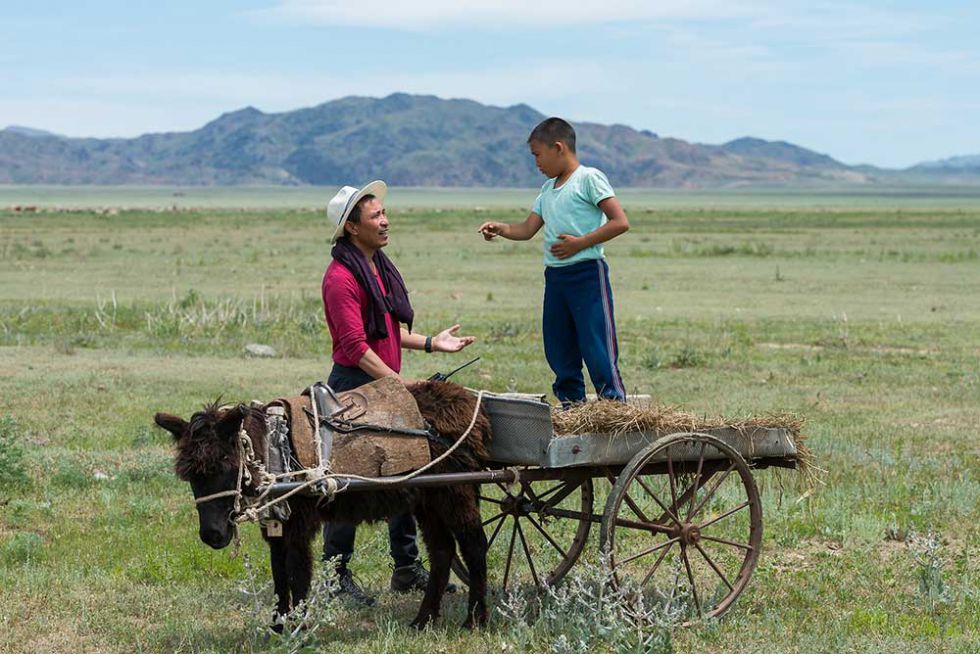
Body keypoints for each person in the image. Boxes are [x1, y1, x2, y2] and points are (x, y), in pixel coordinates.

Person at [321, 180, 474, 605]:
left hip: (385, 383)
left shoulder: (376, 268)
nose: (386, 221)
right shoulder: (340, 278)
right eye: (376, 216)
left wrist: (430, 342)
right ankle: (335, 575)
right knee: (351, 483)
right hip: (355, 385)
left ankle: (406, 568)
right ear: (352, 227)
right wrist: (398, 383)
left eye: (384, 213)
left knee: (407, 475)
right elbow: (354, 346)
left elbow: (384, 331)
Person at [478, 117, 629, 406]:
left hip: (587, 273)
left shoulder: (588, 178)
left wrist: (580, 243)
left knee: (596, 343)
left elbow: (620, 222)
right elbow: (527, 229)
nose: (536, 162)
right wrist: (501, 228)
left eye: (538, 154)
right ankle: (571, 405)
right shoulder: (547, 189)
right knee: (559, 345)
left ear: (558, 148)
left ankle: (613, 405)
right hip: (556, 278)